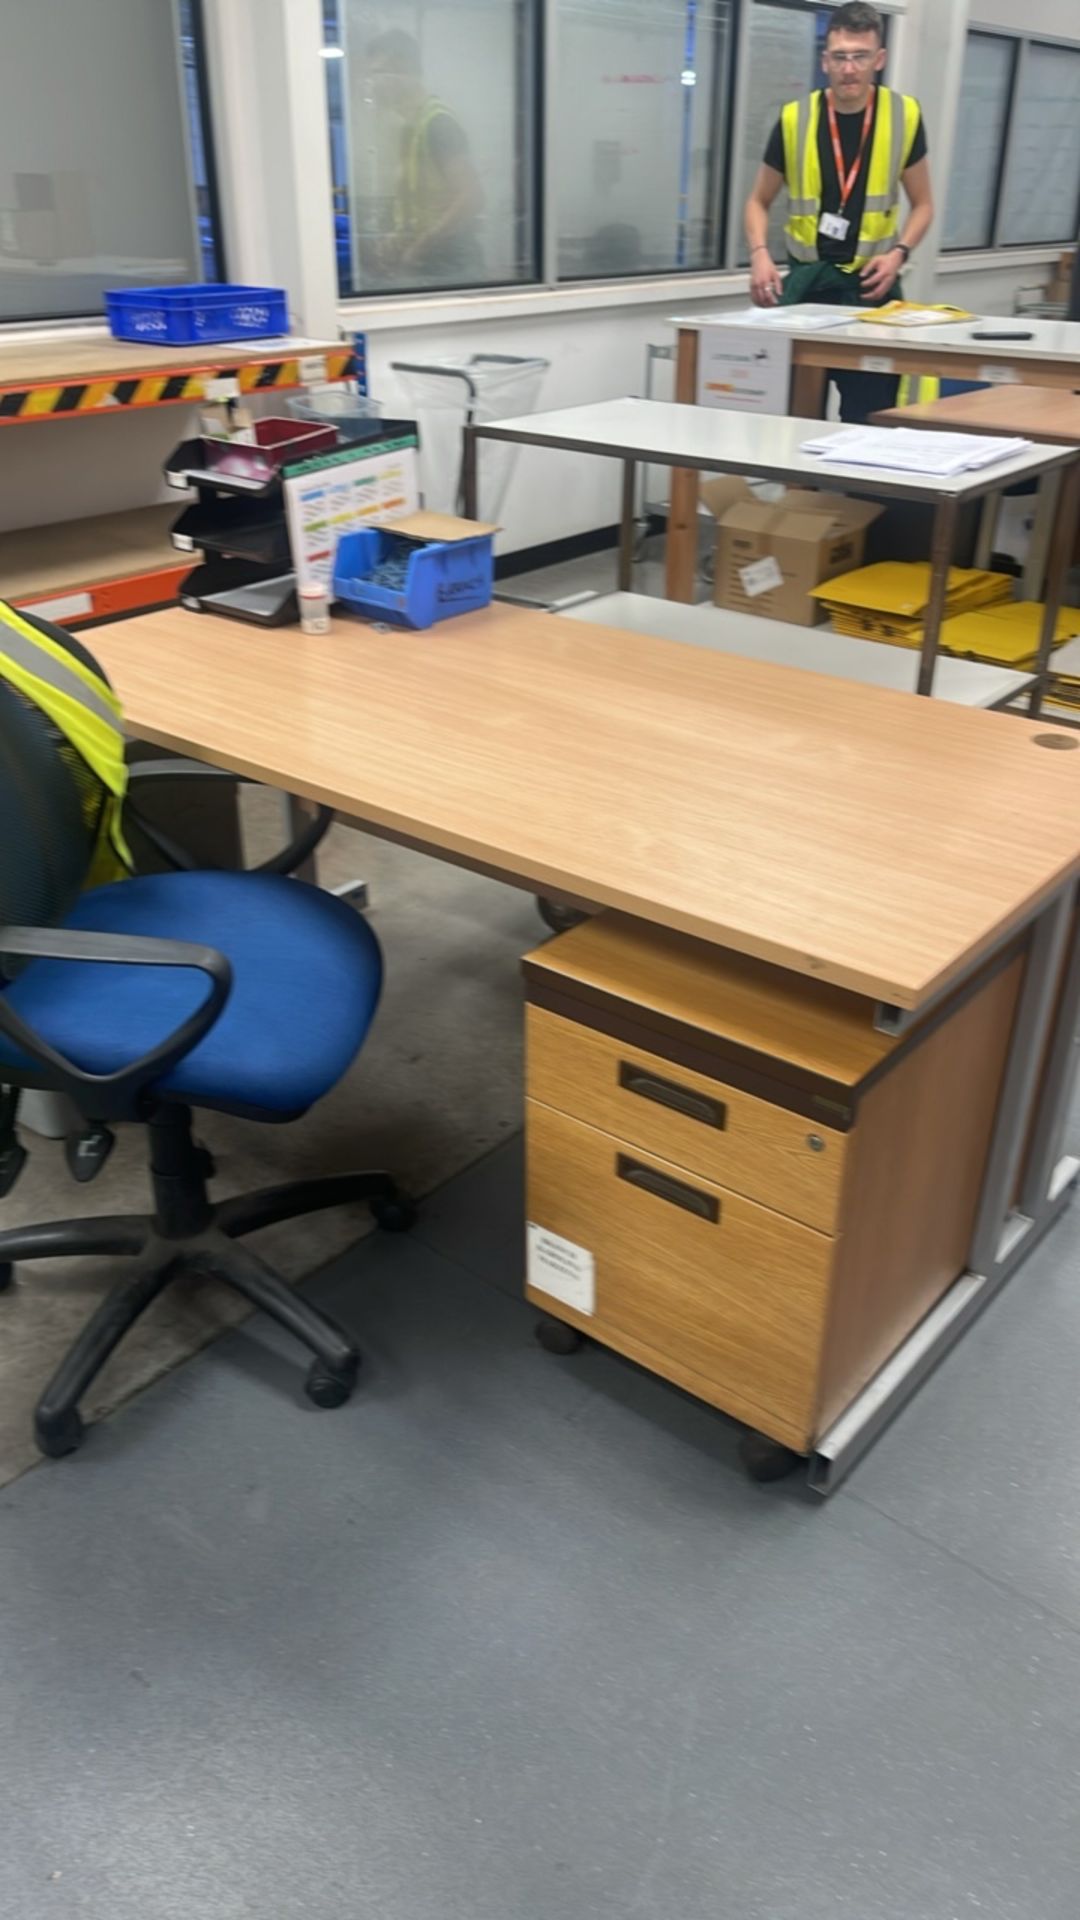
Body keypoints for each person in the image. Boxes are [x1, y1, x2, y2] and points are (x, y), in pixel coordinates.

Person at [744, 1, 934, 421]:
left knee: (868, 425)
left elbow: (923, 205)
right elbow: (758, 201)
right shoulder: (796, 119)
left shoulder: (904, 116)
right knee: (792, 425)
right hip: (804, 296)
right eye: (840, 56)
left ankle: (858, 491)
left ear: (879, 59)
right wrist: (759, 254)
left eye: (860, 56)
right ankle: (800, 489)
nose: (850, 68)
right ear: (825, 60)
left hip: (871, 295)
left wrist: (900, 252)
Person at [365, 30, 484, 289]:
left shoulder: (437, 124)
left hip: (450, 266)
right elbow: (422, 202)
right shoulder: (411, 127)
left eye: (378, 73)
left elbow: (471, 197)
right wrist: (398, 236)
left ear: (403, 71)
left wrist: (419, 247)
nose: (373, 84)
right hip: (432, 262)